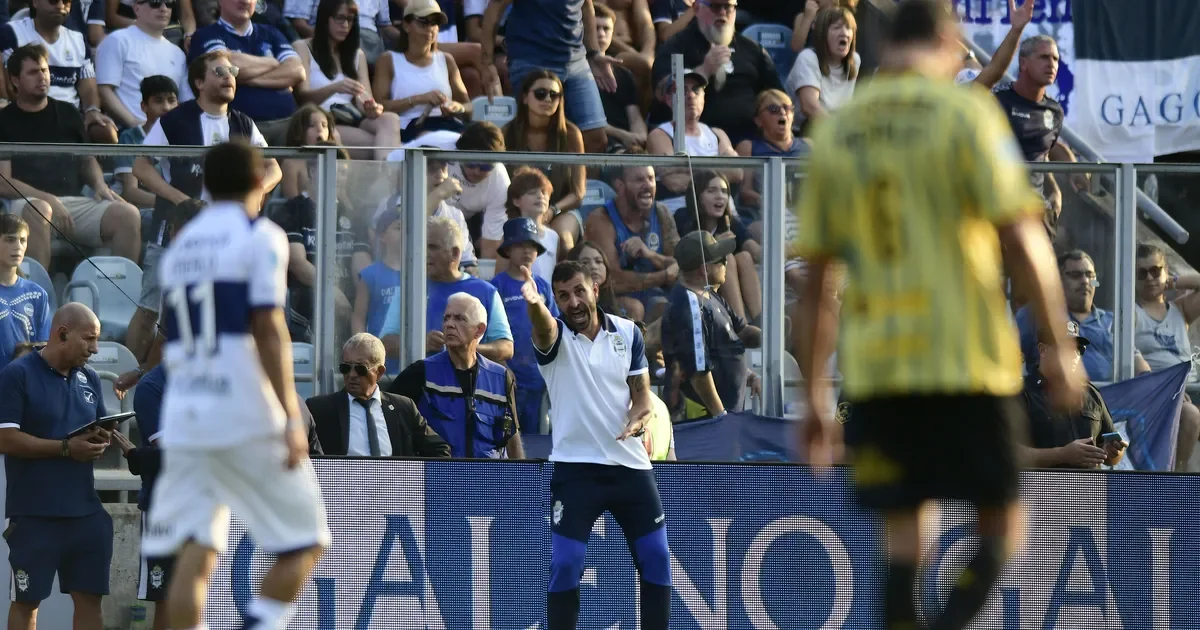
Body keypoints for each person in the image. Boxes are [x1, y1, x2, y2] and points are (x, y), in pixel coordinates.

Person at [794, 3, 1084, 630]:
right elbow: (1023, 233)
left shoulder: (840, 133)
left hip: (878, 373)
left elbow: (817, 283)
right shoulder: (964, 114)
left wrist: (817, 394)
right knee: (1003, 525)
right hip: (967, 360)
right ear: (950, 44)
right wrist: (1060, 344)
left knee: (906, 537)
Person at [142, 141, 329, 630]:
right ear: (256, 185)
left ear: (205, 184)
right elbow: (268, 327)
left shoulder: (181, 244)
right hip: (243, 411)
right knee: (308, 540)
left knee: (198, 553)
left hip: (186, 417)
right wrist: (291, 414)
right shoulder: (260, 234)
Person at [520, 260, 670, 630]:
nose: (572, 302)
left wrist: (638, 418)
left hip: (631, 469)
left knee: (657, 556)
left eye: (578, 291)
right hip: (576, 471)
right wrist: (535, 305)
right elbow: (542, 326)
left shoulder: (628, 333)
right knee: (567, 562)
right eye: (562, 296)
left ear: (595, 291)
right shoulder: (553, 337)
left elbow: (643, 398)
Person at [0, 303, 112, 630]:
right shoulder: (17, 374)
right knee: (26, 602)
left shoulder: (89, 377)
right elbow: (5, 439)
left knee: (90, 600)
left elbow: (94, 428)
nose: (95, 349)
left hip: (85, 511)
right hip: (35, 514)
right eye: (88, 339)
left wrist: (101, 440)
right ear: (62, 334)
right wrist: (66, 448)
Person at [0, 44, 143, 268]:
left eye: (45, 71)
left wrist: (99, 185)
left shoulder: (68, 113)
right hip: (25, 204)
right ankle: (40, 299)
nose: (42, 77)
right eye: (33, 72)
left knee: (128, 214)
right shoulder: (4, 120)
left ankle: (122, 298)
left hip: (74, 204)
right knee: (41, 209)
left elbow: (87, 160)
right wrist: (49, 199)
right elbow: (4, 181)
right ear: (15, 80)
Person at [389, 292, 525, 458]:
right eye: (446, 318)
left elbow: (512, 439)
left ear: (479, 329)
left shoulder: (501, 378)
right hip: (438, 478)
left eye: (460, 319)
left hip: (489, 479)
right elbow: (387, 415)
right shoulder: (421, 373)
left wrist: (521, 480)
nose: (449, 325)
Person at [480, 0, 618, 154]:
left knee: (596, 139)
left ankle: (582, 179)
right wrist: (486, 63)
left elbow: (586, 5)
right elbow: (495, 8)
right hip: (531, 59)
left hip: (577, 62)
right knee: (538, 137)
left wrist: (593, 53)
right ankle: (531, 178)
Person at [378, 216, 513, 362]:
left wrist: (468, 348)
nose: (425, 253)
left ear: (455, 253)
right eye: (422, 247)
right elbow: (385, 344)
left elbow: (506, 348)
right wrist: (422, 343)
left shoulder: (486, 292)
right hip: (423, 383)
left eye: (433, 247)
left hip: (470, 383)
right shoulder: (407, 290)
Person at [649, 0, 782, 143]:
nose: (723, 12)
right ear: (696, 8)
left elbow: (778, 96)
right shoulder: (676, 46)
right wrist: (703, 70)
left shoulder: (753, 50)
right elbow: (661, 92)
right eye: (715, 6)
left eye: (729, 7)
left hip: (750, 144)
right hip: (693, 143)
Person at [662, 231, 761, 420]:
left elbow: (733, 337)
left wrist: (749, 375)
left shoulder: (710, 295)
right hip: (704, 420)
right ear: (704, 269)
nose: (726, 263)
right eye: (720, 259)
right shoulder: (689, 305)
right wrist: (719, 415)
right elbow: (698, 372)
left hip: (725, 417)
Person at [306, 333, 451, 457]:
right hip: (342, 487)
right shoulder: (319, 409)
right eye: (345, 368)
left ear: (379, 372)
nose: (351, 375)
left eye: (360, 369)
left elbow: (439, 450)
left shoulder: (403, 407)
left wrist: (416, 482)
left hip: (393, 488)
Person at [293, 0, 402, 160]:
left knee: (391, 119)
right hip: (323, 121)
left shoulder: (357, 55)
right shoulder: (302, 47)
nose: (345, 25)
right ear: (325, 18)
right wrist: (335, 88)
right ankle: (388, 180)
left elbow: (365, 99)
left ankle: (387, 178)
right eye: (340, 18)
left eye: (350, 20)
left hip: (352, 117)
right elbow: (302, 97)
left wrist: (372, 107)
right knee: (384, 145)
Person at [188, 0, 305, 140]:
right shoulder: (205, 35)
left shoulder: (272, 33)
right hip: (239, 127)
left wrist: (246, 77)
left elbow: (297, 71)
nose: (245, 1)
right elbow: (224, 69)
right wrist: (273, 63)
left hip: (288, 123)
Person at [1021, 321, 1127, 470]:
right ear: (1043, 350)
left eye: (1079, 349)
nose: (1074, 355)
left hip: (1088, 490)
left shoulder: (1091, 394)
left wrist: (1113, 452)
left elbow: (1112, 457)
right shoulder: (1021, 394)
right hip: (1043, 490)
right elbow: (1007, 454)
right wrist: (1062, 454)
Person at [112, 364, 171, 630]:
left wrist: (140, 458)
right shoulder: (153, 385)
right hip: (166, 507)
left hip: (214, 505)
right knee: (167, 598)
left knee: (207, 597)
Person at [1133, 243, 1200, 470]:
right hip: (1162, 390)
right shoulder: (1132, 313)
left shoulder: (1180, 310)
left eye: (1156, 270)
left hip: (1192, 386)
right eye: (1142, 273)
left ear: (1166, 270)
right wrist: (1172, 390)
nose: (1150, 278)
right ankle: (1177, 474)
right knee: (1190, 415)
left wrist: (1172, 282)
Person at [503, 70, 587, 250]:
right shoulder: (506, 134)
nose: (548, 99)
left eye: (554, 95)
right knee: (519, 238)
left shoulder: (571, 135)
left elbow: (578, 193)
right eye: (540, 94)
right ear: (525, 98)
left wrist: (551, 211)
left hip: (561, 210)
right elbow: (501, 187)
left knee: (562, 241)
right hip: (517, 210)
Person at [492, 218, 561, 433]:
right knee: (508, 434)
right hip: (507, 374)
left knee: (535, 436)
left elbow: (555, 326)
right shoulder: (497, 286)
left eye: (531, 246)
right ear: (508, 250)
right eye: (520, 245)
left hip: (538, 376)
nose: (526, 251)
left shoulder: (543, 286)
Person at [372, 0, 470, 143]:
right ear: (406, 25)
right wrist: (419, 99)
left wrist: (457, 107)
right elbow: (379, 107)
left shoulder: (446, 60)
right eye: (424, 22)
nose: (431, 28)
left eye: (435, 23)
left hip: (448, 125)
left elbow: (468, 106)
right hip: (409, 129)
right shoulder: (388, 60)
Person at [95, 0, 190, 130]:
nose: (163, 8)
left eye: (169, 4)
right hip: (129, 134)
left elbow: (185, 101)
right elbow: (104, 90)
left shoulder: (178, 53)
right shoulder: (117, 40)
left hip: (170, 136)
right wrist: (136, 126)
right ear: (136, 8)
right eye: (155, 3)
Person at [785, 6, 859, 127]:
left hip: (833, 126)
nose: (844, 33)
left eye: (849, 28)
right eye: (836, 28)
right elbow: (809, 107)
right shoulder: (808, 58)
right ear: (822, 34)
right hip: (803, 129)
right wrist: (839, 131)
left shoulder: (855, 60)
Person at [0, 214, 51, 372]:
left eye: (22, 240)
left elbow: (45, 344)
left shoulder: (37, 294)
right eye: (10, 240)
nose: (18, 246)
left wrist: (28, 350)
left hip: (23, 383)